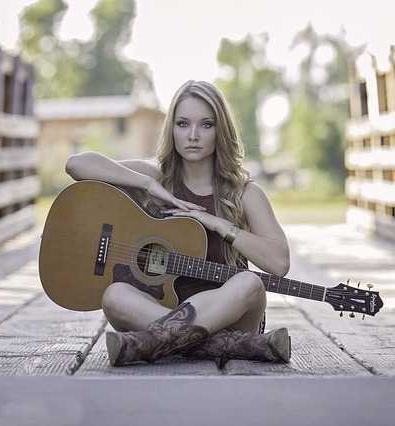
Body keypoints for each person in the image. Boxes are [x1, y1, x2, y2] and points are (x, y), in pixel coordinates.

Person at [64, 80, 291, 368]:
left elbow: (280, 263)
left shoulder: (245, 193)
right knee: (114, 295)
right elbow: (77, 165)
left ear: (220, 130)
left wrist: (221, 225)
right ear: (171, 128)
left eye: (206, 125)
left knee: (249, 282)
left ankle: (153, 343)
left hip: (233, 318)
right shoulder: (157, 179)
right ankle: (223, 346)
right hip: (162, 310)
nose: (193, 135)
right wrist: (147, 184)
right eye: (183, 124)